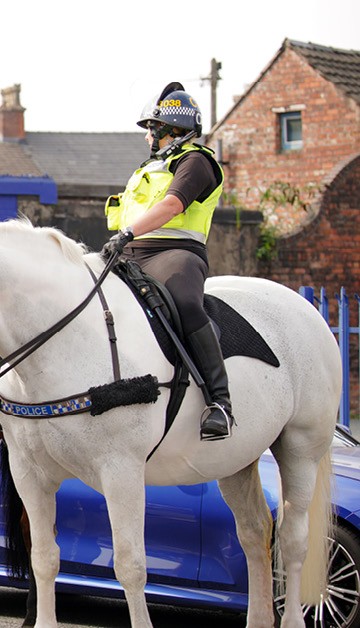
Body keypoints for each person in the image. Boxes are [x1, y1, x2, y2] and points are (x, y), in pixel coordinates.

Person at [102, 82, 231, 441]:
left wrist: (127, 233)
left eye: (151, 129)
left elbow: (173, 205)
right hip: (128, 252)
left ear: (171, 131)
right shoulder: (147, 169)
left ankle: (220, 401)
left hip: (174, 253)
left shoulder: (196, 161)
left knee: (186, 302)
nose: (147, 137)